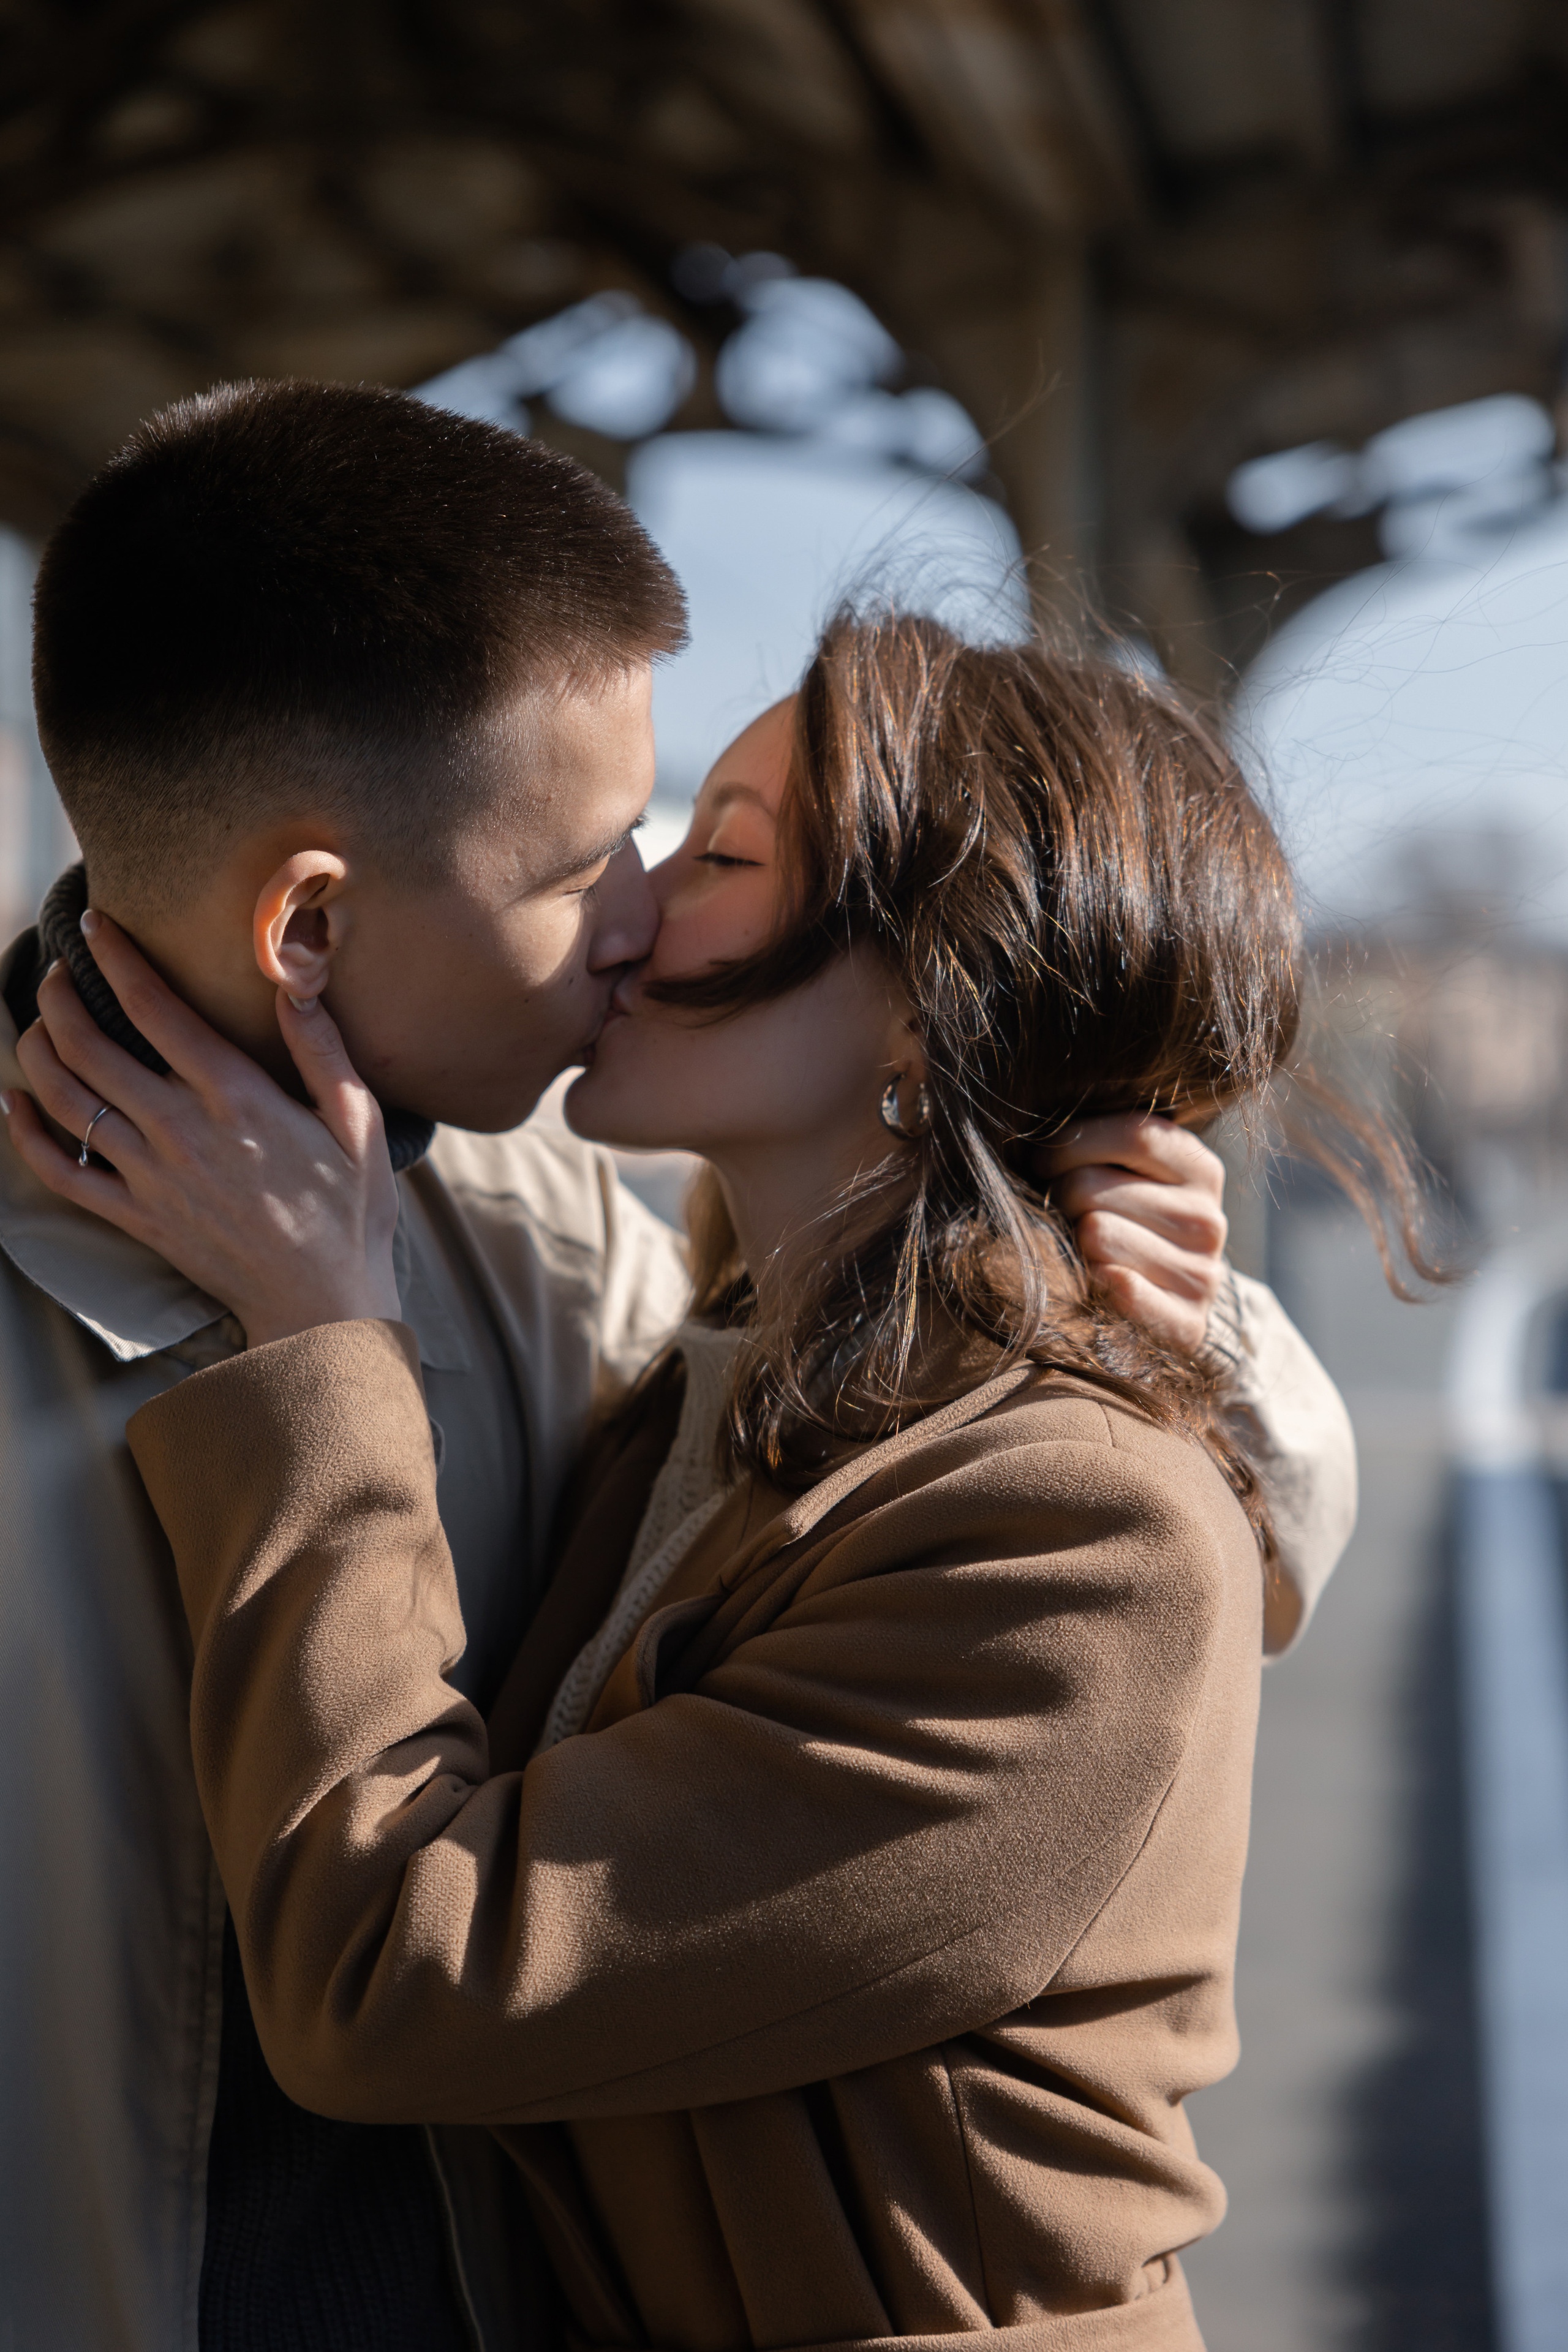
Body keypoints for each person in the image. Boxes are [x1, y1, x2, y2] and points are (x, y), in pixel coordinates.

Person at [7, 610, 1379, 2351]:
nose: (634, 903)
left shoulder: (1078, 1531)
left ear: (930, 1002)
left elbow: (402, 1977)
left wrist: (312, 1343)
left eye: (719, 848)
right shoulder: (711, 1390)